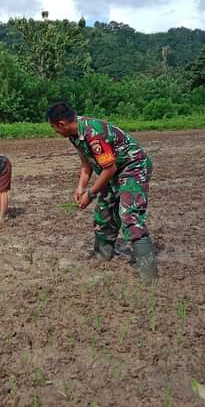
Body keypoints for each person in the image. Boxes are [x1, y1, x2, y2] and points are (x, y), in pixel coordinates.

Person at [46, 102, 157, 282]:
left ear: (61, 124)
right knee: (103, 213)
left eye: (54, 128)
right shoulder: (74, 134)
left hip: (132, 167)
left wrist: (90, 194)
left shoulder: (94, 133)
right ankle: (103, 256)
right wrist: (80, 187)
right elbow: (86, 163)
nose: (55, 132)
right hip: (113, 170)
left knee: (129, 214)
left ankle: (149, 273)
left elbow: (109, 168)